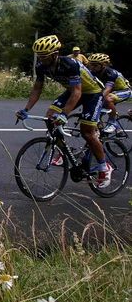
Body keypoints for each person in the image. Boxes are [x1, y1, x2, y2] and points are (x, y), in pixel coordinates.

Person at [16, 35, 111, 188]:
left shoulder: (69, 64)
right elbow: (37, 88)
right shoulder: (41, 66)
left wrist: (64, 114)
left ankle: (104, 167)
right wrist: (26, 109)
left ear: (54, 54)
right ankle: (63, 149)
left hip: (92, 93)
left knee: (87, 132)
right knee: (49, 117)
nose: (41, 59)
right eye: (39, 56)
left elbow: (77, 93)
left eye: (44, 56)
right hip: (72, 91)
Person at [87, 53, 131, 135]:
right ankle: (110, 131)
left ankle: (112, 122)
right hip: (112, 92)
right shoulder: (93, 72)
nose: (92, 67)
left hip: (124, 91)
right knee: (95, 112)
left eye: (95, 65)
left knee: (107, 98)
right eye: (91, 65)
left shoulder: (111, 73)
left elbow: (107, 89)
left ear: (103, 65)